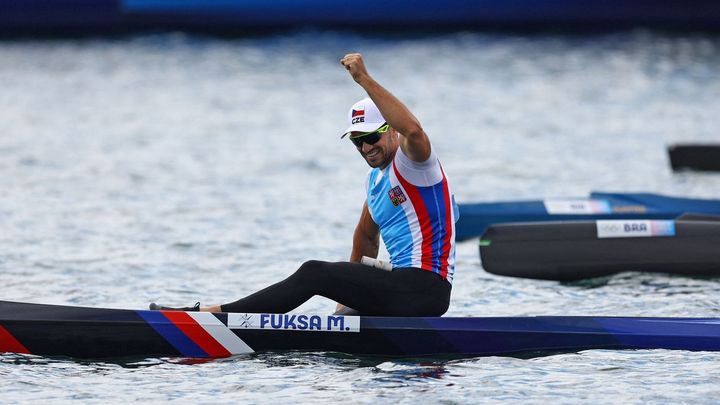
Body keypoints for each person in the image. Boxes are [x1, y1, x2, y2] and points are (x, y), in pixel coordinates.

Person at [150, 53, 459, 316]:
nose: (365, 148)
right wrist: (343, 309)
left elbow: (415, 131)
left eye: (371, 138)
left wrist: (363, 78)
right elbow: (365, 238)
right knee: (331, 281)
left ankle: (212, 316)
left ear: (391, 130)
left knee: (314, 272)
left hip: (426, 287)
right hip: (398, 285)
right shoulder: (374, 181)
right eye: (357, 142)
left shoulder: (416, 164)